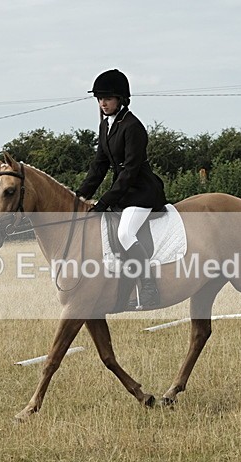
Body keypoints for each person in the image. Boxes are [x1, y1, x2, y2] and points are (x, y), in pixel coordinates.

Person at [76, 69, 167, 309]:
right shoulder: (106, 126)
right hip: (125, 194)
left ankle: (149, 288)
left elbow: (129, 171)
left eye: (107, 98)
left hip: (141, 192)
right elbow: (99, 165)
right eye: (99, 99)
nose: (102, 103)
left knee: (126, 233)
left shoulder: (132, 127)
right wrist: (79, 195)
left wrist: (104, 202)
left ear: (121, 99)